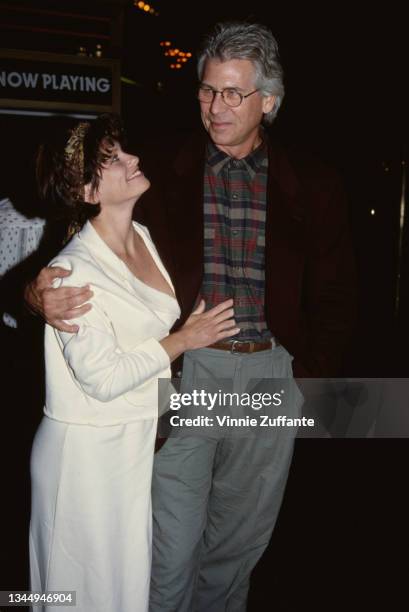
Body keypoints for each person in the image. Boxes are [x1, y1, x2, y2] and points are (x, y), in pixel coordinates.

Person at [26, 21, 356, 612]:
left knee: (237, 546)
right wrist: (33, 295)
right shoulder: (156, 169)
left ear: (269, 101)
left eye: (234, 93)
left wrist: (307, 382)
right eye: (207, 90)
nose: (215, 106)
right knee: (167, 550)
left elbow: (336, 296)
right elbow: (81, 226)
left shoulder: (315, 185)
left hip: (268, 379)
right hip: (185, 376)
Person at [28, 113, 237, 612]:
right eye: (114, 161)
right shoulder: (73, 271)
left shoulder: (142, 234)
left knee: (121, 592)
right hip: (84, 452)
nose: (134, 160)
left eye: (126, 151)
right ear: (87, 191)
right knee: (75, 595)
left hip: (132, 443)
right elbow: (102, 379)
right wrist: (185, 340)